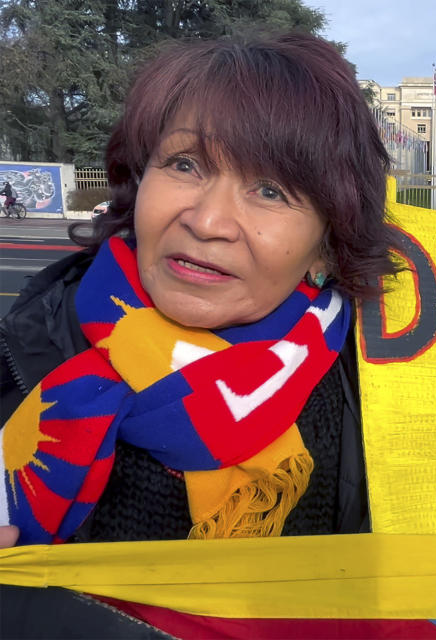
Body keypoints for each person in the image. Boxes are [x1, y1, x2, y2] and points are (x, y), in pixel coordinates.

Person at [0, 33, 401, 547]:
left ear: (327, 245)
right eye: (185, 164)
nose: (209, 221)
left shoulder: (380, 389)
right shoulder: (21, 357)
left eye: (270, 190)